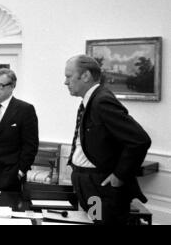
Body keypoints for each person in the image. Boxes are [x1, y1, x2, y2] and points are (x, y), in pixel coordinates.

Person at [64, 55, 151, 225]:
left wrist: (119, 175)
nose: (65, 82)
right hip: (87, 184)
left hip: (98, 187)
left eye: (68, 76)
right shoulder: (89, 101)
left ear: (86, 76)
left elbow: (139, 140)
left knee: (100, 223)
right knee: (93, 221)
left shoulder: (101, 101)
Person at [0, 68, 39, 192]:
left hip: (9, 177)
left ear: (12, 86)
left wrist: (20, 172)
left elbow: (30, 146)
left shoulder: (25, 110)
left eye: (0, 85)